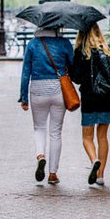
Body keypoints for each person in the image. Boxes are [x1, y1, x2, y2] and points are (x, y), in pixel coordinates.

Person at [71, 24, 110, 186]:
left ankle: (94, 160)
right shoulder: (109, 50)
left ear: (82, 35)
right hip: (107, 99)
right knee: (102, 137)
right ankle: (100, 175)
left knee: (87, 137)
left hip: (89, 98)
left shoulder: (81, 53)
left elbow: (77, 78)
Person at [19, 26, 74, 184]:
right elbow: (72, 65)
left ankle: (40, 155)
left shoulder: (33, 44)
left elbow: (25, 71)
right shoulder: (64, 43)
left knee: (39, 128)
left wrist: (24, 97)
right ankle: (52, 173)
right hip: (59, 89)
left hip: (37, 89)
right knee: (56, 132)